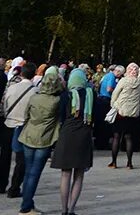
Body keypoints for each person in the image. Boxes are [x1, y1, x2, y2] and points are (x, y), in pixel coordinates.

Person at [18, 65, 64, 215]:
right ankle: (26, 207)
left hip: (28, 135)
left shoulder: (34, 97)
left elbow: (26, 116)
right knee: (34, 174)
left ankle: (27, 203)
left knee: (27, 172)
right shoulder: (57, 101)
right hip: (45, 138)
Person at [53, 68, 94, 215]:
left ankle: (63, 210)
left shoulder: (66, 96)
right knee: (79, 174)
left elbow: (60, 117)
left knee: (65, 174)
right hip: (84, 135)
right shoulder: (90, 95)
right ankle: (72, 209)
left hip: (67, 135)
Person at [0, 63, 36, 198]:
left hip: (9, 123)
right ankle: (14, 187)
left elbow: (4, 105)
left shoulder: (11, 88)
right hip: (23, 126)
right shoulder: (34, 91)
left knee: (4, 156)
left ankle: (1, 183)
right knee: (21, 160)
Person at [108, 61, 140, 169]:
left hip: (120, 112)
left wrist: (113, 105)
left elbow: (115, 94)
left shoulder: (123, 81)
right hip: (132, 113)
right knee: (129, 137)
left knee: (116, 136)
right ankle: (129, 163)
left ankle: (114, 162)